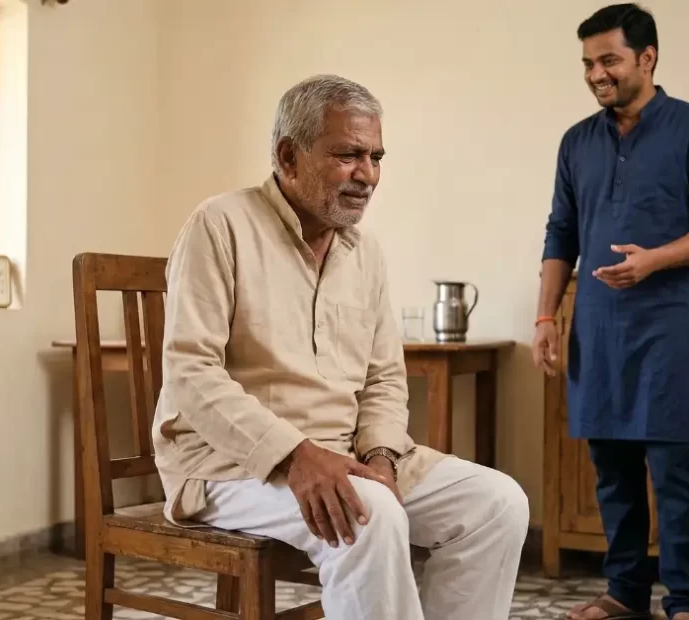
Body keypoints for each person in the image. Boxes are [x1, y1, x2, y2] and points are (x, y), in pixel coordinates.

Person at [152, 73, 529, 620]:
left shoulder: (366, 251)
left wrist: (380, 455)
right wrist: (296, 455)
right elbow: (190, 372)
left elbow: (382, 378)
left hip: (345, 452)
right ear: (289, 155)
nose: (369, 175)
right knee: (368, 512)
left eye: (376, 157)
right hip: (227, 464)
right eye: (349, 155)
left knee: (497, 504)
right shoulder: (220, 224)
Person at [534, 4, 689, 620]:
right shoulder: (577, 142)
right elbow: (559, 233)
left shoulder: (685, 127)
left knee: (677, 474)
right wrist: (547, 319)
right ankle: (624, 592)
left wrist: (656, 260)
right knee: (612, 470)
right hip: (597, 329)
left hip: (672, 326)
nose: (597, 74)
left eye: (609, 60)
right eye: (588, 64)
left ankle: (683, 599)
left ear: (647, 58)